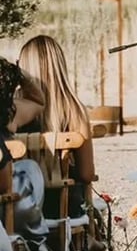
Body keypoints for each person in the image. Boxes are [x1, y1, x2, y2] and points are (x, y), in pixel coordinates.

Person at [17, 34, 96, 221]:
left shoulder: (13, 108)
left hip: (21, 206)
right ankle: (88, 243)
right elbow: (87, 174)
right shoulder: (74, 109)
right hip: (64, 208)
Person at [0, 56, 59, 251]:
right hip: (9, 214)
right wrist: (17, 73)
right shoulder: (7, 112)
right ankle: (38, 248)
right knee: (29, 169)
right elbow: (37, 101)